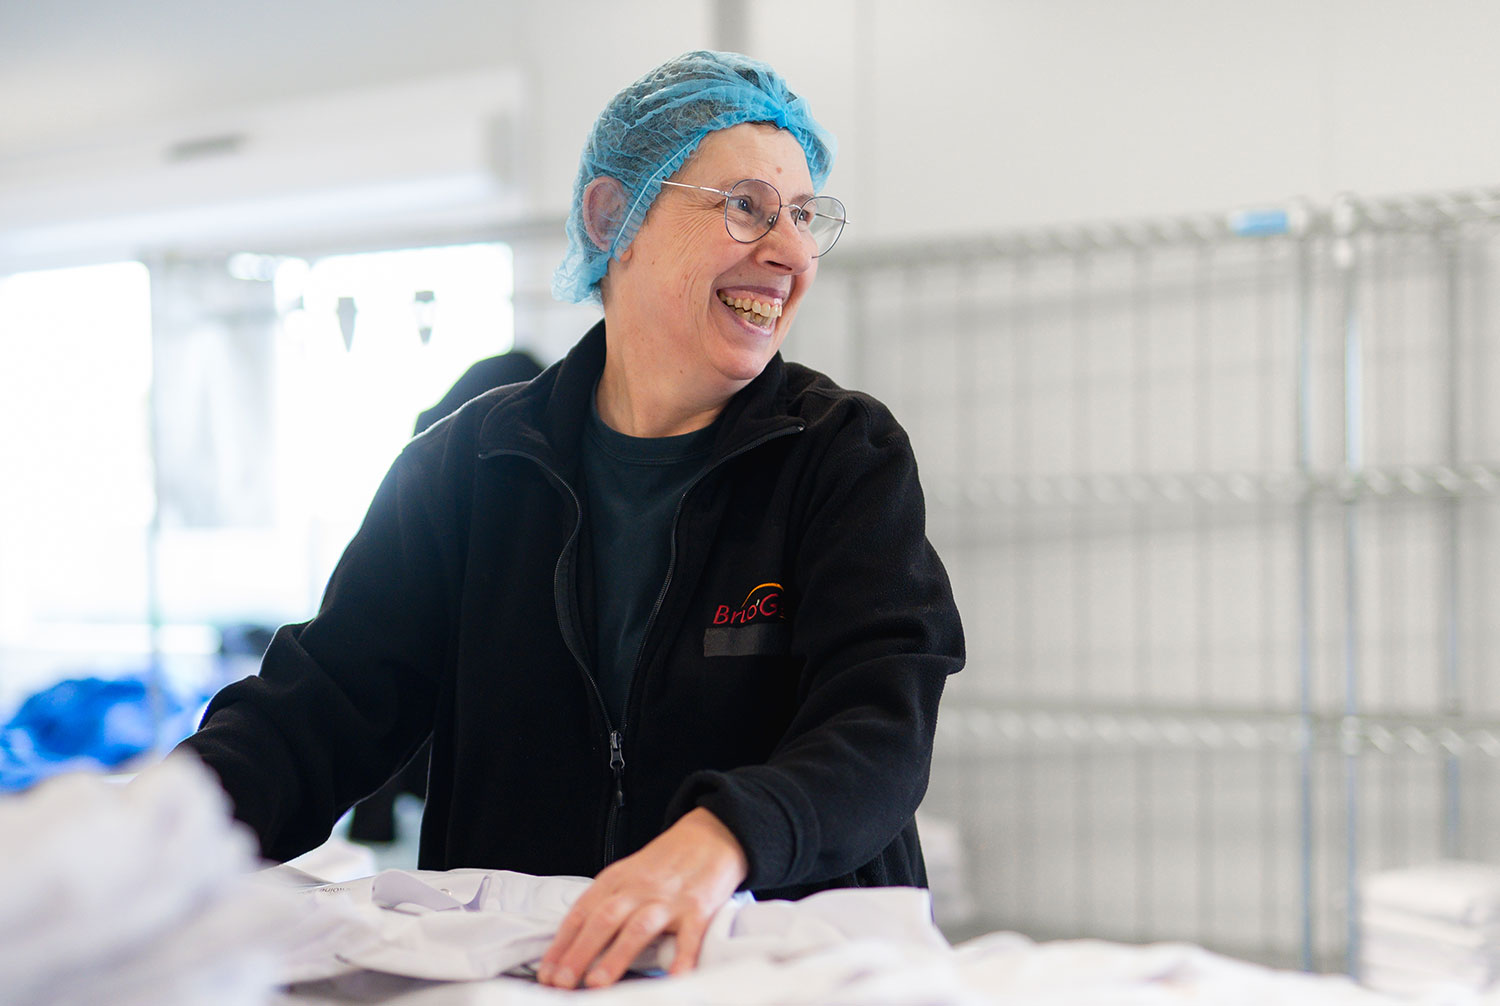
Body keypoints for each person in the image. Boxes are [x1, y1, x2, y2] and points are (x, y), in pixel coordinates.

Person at [179, 50, 964, 990]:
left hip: (786, 969)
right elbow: (319, 713)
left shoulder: (841, 455)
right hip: (534, 976)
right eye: (747, 206)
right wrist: (143, 837)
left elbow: (880, 726)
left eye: (804, 215)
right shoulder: (467, 468)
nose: (792, 253)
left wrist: (724, 838)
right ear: (611, 218)